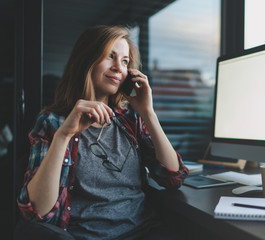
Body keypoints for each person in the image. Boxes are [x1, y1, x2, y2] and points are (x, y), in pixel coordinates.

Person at [16, 25, 189, 240]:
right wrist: (63, 136)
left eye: (125, 61)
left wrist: (148, 113)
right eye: (110, 56)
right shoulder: (52, 122)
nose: (119, 68)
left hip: (145, 232)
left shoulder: (130, 119)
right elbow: (36, 211)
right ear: (86, 61)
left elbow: (173, 177)